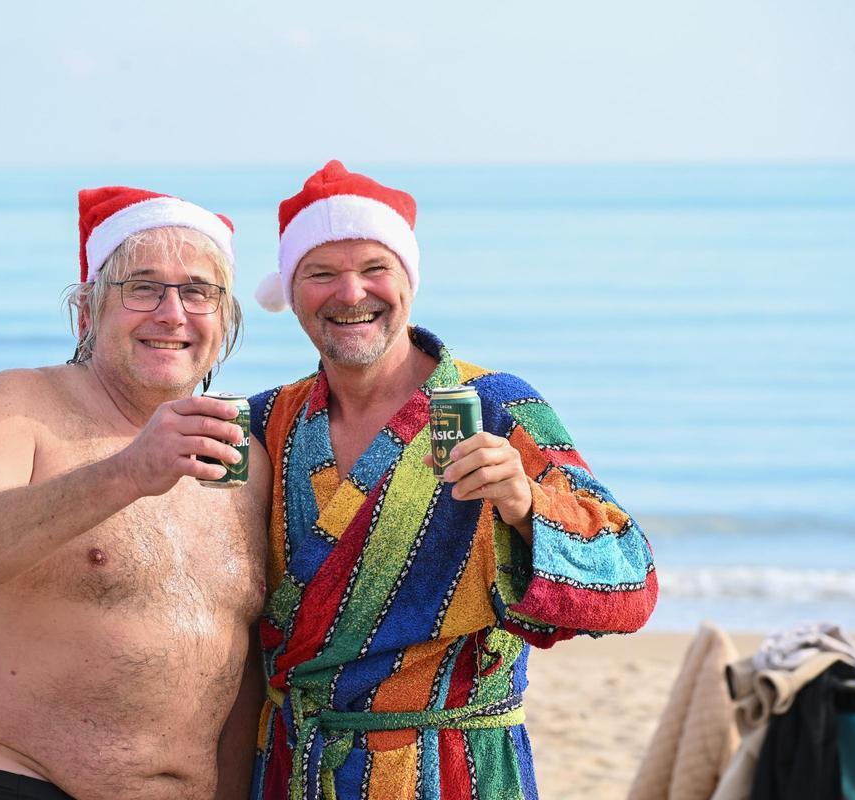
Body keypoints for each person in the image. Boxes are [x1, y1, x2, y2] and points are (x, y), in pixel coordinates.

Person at [246, 161, 658, 799]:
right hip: (293, 768)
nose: (350, 294)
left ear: (408, 280)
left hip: (453, 770)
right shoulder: (267, 423)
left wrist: (526, 504)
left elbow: (631, 580)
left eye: (374, 268)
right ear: (291, 292)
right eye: (320, 273)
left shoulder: (495, 406)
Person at [0, 187, 269, 800]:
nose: (172, 313)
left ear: (224, 318)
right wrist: (127, 472)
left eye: (198, 291)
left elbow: (242, 669)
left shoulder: (243, 459)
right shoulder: (18, 404)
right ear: (86, 312)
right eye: (142, 288)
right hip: (7, 777)